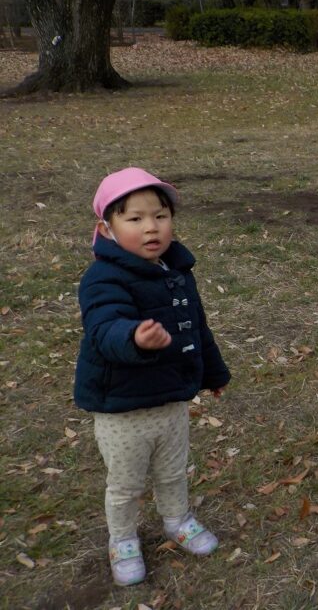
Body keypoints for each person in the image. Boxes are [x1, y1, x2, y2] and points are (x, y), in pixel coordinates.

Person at [74, 167, 230, 586]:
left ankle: (177, 518)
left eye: (160, 215)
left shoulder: (177, 271)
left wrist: (213, 372)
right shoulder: (102, 277)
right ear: (106, 228)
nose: (151, 228)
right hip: (122, 408)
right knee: (126, 484)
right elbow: (104, 327)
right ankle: (122, 538)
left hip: (171, 400)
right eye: (135, 218)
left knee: (172, 470)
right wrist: (134, 337)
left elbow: (196, 326)